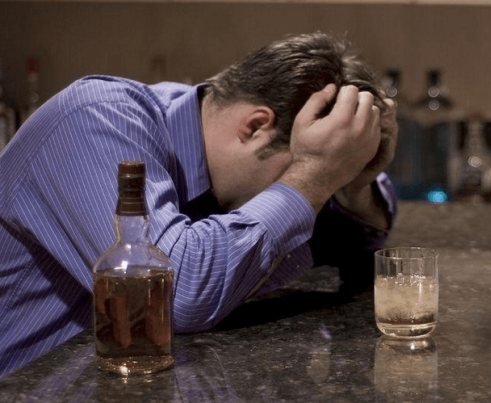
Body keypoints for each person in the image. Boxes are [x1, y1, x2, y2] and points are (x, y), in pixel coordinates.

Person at [0, 32, 398, 378]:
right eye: (296, 169)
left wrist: (352, 188)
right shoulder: (96, 118)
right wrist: (312, 176)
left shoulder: (209, 136)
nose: (300, 192)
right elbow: (170, 297)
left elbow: (350, 237)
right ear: (255, 127)